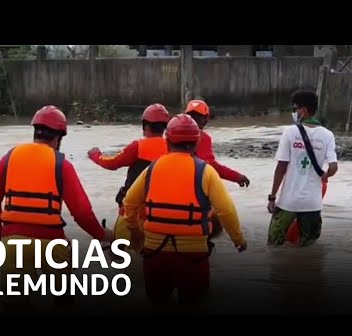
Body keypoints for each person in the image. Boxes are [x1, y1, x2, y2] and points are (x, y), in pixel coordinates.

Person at [0, 105, 114, 308]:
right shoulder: (62, 164)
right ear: (59, 137)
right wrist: (103, 235)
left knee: (14, 304)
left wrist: (0, 236)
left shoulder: (9, 158)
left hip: (13, 241)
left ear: (35, 131)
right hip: (51, 243)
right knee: (63, 300)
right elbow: (82, 214)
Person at [122, 114, 247, 305]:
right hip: (193, 256)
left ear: (167, 140)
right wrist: (238, 239)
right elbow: (226, 210)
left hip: (155, 254)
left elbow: (129, 202)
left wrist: (135, 230)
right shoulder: (206, 171)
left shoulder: (152, 169)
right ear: (196, 143)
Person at [87, 103, 170, 251]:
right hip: (162, 221)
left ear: (145, 126)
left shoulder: (137, 147)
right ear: (165, 127)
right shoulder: (173, 150)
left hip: (131, 217)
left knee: (121, 259)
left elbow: (111, 163)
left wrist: (95, 155)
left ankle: (109, 244)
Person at [267, 89, 338, 247]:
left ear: (303, 110)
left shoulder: (290, 132)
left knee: (273, 246)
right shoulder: (328, 135)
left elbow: (281, 167)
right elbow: (333, 166)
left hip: (288, 202)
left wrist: (272, 197)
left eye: (295, 108)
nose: (294, 112)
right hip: (312, 203)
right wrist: (326, 175)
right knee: (309, 250)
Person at [185, 99, 250, 238]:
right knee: (216, 223)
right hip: (197, 195)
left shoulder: (169, 138)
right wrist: (236, 176)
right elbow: (211, 166)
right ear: (206, 120)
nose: (195, 120)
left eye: (196, 117)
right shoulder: (203, 138)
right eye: (193, 117)